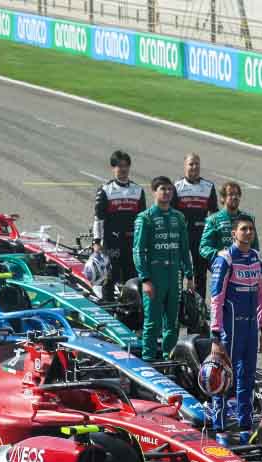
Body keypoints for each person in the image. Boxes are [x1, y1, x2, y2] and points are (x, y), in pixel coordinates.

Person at [210, 215, 262, 431]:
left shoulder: (256, 258)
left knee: (248, 377)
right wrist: (215, 336)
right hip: (230, 328)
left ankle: (245, 425)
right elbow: (216, 299)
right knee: (223, 376)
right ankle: (219, 426)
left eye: (251, 229)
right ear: (234, 233)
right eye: (244, 229)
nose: (249, 233)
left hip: (251, 328)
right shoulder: (225, 259)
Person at [132, 177, 192, 360]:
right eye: (162, 189)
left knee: (173, 323)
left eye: (169, 189)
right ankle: (148, 359)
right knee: (152, 323)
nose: (166, 193)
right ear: (154, 192)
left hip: (174, 275)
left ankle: (170, 359)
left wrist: (189, 275)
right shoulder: (145, 218)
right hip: (155, 277)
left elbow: (184, 249)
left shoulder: (178, 217)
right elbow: (138, 250)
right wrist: (145, 279)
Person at [92, 150, 146, 302]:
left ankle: (132, 312)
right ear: (113, 168)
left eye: (125, 166)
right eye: (119, 166)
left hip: (132, 243)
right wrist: (97, 242)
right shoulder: (104, 190)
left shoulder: (138, 190)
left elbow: (142, 220)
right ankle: (109, 312)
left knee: (133, 278)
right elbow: (98, 219)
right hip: (111, 242)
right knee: (109, 278)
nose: (122, 169)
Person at [173, 153, 219, 295]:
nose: (194, 167)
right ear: (185, 166)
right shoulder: (177, 187)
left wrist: (212, 234)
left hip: (201, 236)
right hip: (182, 236)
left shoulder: (208, 186)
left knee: (201, 273)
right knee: (179, 272)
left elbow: (214, 213)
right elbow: (172, 213)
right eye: (191, 164)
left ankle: (199, 308)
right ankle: (179, 306)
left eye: (197, 164)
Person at [200, 181, 259, 266]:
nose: (235, 197)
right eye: (231, 194)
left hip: (244, 266)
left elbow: (255, 246)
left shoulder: (248, 219)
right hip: (223, 267)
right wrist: (218, 254)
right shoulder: (213, 220)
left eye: (237, 194)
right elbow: (203, 247)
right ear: (223, 198)